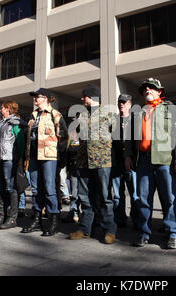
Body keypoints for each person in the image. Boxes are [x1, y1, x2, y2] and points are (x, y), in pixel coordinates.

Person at [125, 78, 176, 249]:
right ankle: (144, 232)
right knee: (144, 198)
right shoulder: (137, 113)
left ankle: (174, 233)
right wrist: (128, 156)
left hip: (164, 159)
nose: (148, 90)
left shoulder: (170, 109)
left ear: (160, 92)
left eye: (152, 88)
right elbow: (129, 138)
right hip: (143, 160)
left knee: (169, 197)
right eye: (145, 88)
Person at [69, 85, 118, 244]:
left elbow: (116, 137)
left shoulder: (108, 114)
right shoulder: (81, 115)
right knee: (84, 197)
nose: (82, 99)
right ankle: (85, 229)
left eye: (84, 96)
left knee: (105, 197)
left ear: (92, 97)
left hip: (102, 161)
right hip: (84, 162)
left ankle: (109, 230)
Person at [21, 89, 67, 237]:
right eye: (34, 97)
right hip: (34, 157)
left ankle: (53, 219)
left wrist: (59, 158)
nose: (35, 99)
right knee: (35, 189)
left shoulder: (55, 115)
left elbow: (63, 138)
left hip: (49, 156)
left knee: (49, 188)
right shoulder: (33, 116)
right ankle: (37, 220)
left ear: (45, 98)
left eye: (37, 97)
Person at [0, 101, 26, 230]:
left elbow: (20, 141)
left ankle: (12, 218)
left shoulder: (14, 122)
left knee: (10, 188)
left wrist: (19, 159)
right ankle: (1, 215)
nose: (0, 110)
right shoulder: (2, 122)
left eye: (2, 108)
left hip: (9, 159)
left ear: (8, 109)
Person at [111, 94, 139, 228]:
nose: (121, 104)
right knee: (117, 194)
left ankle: (136, 218)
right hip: (116, 162)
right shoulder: (113, 121)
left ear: (130, 104)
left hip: (131, 162)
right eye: (119, 102)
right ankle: (120, 218)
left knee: (134, 193)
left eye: (124, 102)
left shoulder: (135, 120)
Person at [64, 129, 80, 223]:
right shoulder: (69, 140)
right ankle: (73, 212)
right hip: (73, 167)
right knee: (74, 193)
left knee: (83, 193)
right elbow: (67, 152)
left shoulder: (83, 138)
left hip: (82, 168)